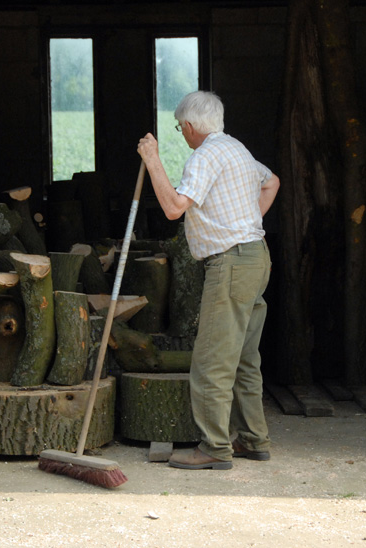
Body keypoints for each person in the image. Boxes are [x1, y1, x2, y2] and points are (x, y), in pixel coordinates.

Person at [137, 91, 279, 470]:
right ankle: (254, 439)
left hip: (231, 263)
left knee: (211, 359)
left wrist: (152, 161)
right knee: (245, 358)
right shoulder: (236, 149)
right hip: (255, 257)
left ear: (188, 126)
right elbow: (272, 182)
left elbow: (172, 208)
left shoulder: (205, 155)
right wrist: (248, 225)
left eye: (179, 127)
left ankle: (215, 447)